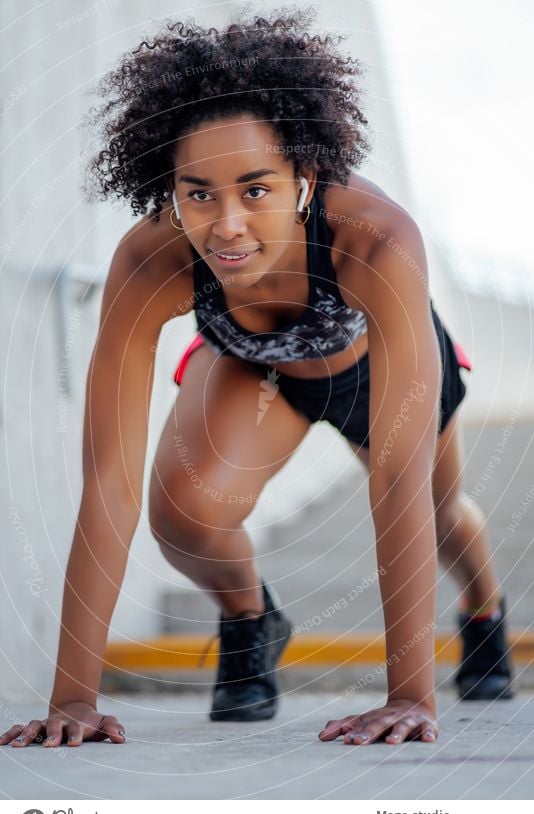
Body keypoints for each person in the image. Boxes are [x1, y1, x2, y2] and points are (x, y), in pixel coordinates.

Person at [0, 10, 514, 751]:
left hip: (375, 368)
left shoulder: (375, 237)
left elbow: (396, 479)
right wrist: (74, 695)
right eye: (198, 192)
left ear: (304, 181)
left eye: (256, 189)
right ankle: (249, 617)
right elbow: (109, 477)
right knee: (182, 512)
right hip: (257, 364)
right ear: (169, 188)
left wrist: (409, 696)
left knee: (441, 512)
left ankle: (484, 605)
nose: (227, 224)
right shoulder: (151, 258)